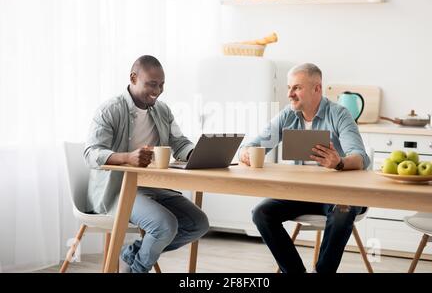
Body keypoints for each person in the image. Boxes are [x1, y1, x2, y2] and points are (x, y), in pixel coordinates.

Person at [239, 63, 370, 273]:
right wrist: (246, 152)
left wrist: (339, 163)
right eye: (289, 87)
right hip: (300, 193)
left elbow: (361, 158)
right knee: (261, 213)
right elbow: (255, 145)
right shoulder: (288, 115)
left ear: (317, 88)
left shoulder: (339, 114)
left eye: (296, 88)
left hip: (337, 195)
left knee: (342, 212)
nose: (290, 94)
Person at [84, 55, 209, 273]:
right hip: (119, 189)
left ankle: (132, 254)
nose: (158, 90)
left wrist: (195, 153)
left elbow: (179, 143)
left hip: (155, 186)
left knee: (198, 223)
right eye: (152, 84)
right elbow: (91, 153)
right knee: (165, 225)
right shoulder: (110, 110)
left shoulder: (163, 111)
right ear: (133, 78)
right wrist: (127, 158)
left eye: (161, 85)